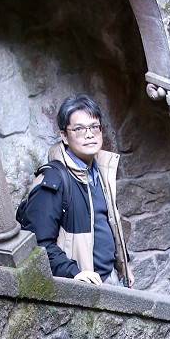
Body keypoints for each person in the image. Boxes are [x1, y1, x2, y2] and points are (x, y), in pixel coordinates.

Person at [21, 94, 133, 286]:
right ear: (64, 136)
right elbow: (37, 243)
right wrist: (72, 273)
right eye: (79, 129)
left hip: (109, 277)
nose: (89, 134)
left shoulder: (101, 170)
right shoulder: (54, 180)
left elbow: (107, 225)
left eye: (94, 127)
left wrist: (123, 265)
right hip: (83, 285)